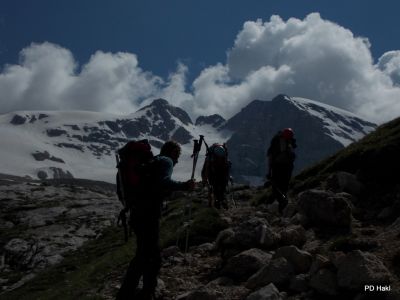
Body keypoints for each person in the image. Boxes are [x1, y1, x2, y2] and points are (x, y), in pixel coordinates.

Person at [116, 140, 195, 300]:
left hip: (137, 213)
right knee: (149, 256)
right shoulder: (166, 161)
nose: (178, 159)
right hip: (148, 214)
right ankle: (139, 293)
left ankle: (139, 292)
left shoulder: (151, 164)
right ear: (173, 152)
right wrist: (184, 185)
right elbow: (164, 182)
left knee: (146, 253)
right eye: (178, 155)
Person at [266, 128, 297, 214]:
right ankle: (282, 205)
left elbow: (270, 158)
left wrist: (269, 172)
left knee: (276, 186)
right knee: (284, 186)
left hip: (277, 167)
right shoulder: (289, 143)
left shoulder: (276, 143)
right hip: (287, 168)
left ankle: (276, 205)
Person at [201, 143, 231, 209]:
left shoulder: (210, 157)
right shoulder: (223, 155)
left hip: (213, 172)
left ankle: (215, 202)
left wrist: (204, 180)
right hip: (222, 171)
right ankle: (222, 200)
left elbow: (204, 170)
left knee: (214, 185)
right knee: (222, 185)